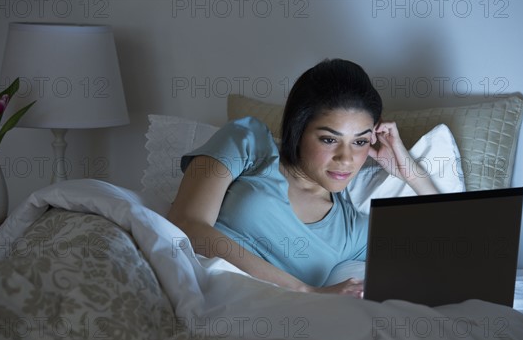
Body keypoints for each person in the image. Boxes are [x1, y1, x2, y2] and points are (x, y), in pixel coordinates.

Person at [168, 59, 437, 298]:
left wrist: (409, 173)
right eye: (329, 139)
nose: (346, 158)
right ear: (299, 128)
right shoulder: (248, 140)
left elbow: (452, 244)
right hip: (180, 282)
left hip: (250, 320)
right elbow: (186, 224)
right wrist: (305, 291)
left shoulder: (353, 232)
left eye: (360, 141)